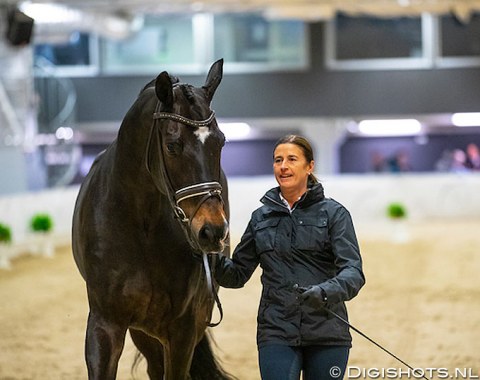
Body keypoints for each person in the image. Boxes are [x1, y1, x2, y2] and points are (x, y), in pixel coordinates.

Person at [213, 135, 365, 380]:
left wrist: (325, 292)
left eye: (292, 159)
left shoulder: (335, 213)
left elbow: (353, 272)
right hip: (276, 331)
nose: (283, 166)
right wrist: (210, 255)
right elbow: (237, 275)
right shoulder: (260, 218)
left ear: (309, 166)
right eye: (278, 160)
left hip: (327, 331)